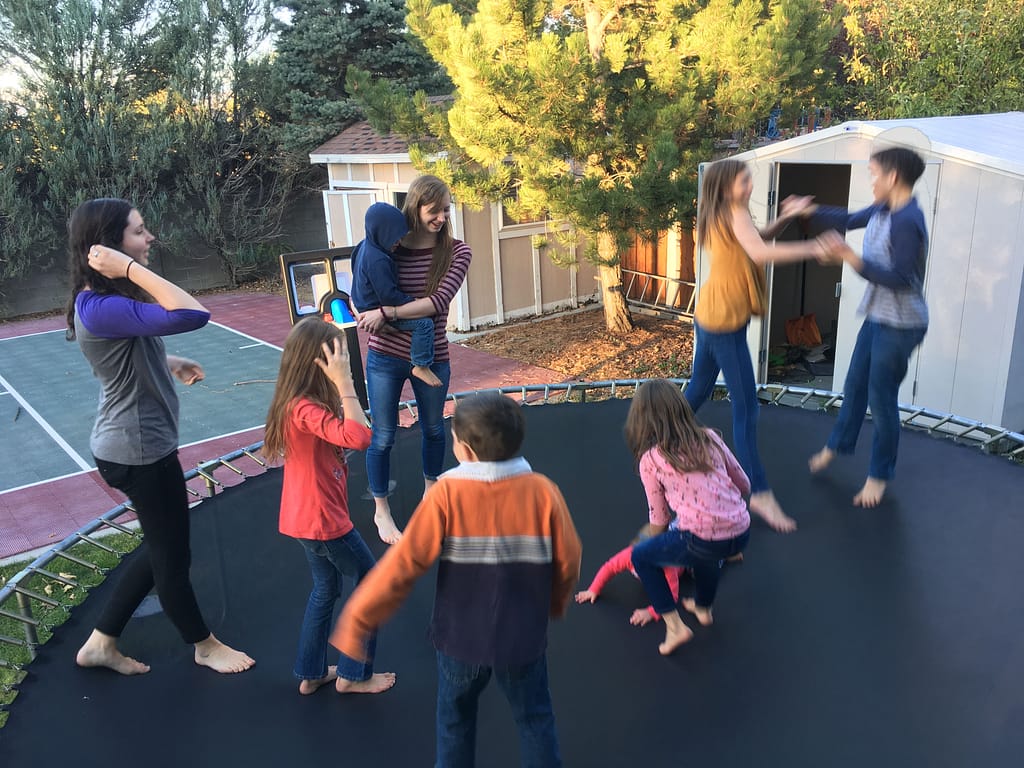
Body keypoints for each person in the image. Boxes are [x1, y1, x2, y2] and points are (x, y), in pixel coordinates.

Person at [330, 392, 582, 768]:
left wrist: (358, 619)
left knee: (454, 723)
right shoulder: (543, 491)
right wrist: (556, 602)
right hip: (522, 637)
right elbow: (569, 557)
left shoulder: (447, 494)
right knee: (535, 719)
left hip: (460, 639)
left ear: (464, 449)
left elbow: (404, 565)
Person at [67, 198, 254, 675]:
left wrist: (167, 362)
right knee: (173, 556)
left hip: (134, 444)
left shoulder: (103, 303)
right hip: (139, 451)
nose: (149, 239)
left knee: (161, 546)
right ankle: (205, 645)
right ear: (109, 246)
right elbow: (193, 314)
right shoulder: (104, 304)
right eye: (138, 232)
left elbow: (119, 358)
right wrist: (130, 268)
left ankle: (101, 642)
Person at [687, 159, 832, 533]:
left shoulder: (727, 212)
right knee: (747, 411)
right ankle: (760, 494)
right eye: (742, 181)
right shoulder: (731, 213)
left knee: (698, 391)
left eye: (748, 178)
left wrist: (784, 220)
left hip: (710, 313)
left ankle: (652, 434)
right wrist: (812, 247)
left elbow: (757, 238)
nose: (749, 185)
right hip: (723, 324)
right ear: (724, 189)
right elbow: (761, 253)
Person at [262, 316, 396, 696]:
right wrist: (346, 384)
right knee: (372, 583)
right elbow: (358, 438)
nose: (346, 364)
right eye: (339, 359)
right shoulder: (304, 409)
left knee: (325, 588)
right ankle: (354, 675)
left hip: (303, 518)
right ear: (320, 365)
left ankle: (312, 671)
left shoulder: (297, 403)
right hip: (322, 521)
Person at [801, 147, 929, 508]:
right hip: (878, 315)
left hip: (903, 324)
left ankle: (879, 475)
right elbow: (849, 217)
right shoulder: (885, 207)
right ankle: (837, 446)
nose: (871, 181)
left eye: (874, 174)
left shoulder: (908, 220)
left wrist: (849, 257)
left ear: (892, 178)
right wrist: (807, 210)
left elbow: (901, 279)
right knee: (855, 384)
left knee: (880, 398)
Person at [355, 175, 472, 545]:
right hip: (386, 356)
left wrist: (386, 313)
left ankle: (431, 490)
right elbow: (364, 290)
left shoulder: (457, 251)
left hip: (432, 354)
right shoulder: (389, 245)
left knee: (434, 428)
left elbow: (438, 303)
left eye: (446, 211)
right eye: (433, 211)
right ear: (415, 207)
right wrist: (368, 313)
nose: (441, 217)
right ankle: (381, 510)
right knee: (384, 435)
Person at [625, 379, 752, 656]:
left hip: (705, 538)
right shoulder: (710, 436)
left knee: (642, 556)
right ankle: (703, 608)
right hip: (741, 531)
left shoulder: (651, 460)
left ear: (642, 420)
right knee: (704, 554)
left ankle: (675, 627)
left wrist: (645, 544)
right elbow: (743, 483)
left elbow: (659, 517)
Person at [350, 202, 441, 388]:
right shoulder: (379, 260)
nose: (398, 242)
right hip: (375, 310)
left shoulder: (364, 246)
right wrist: (412, 302)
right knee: (424, 324)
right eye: (394, 238)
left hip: (363, 305)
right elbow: (389, 295)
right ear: (382, 233)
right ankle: (421, 365)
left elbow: (354, 267)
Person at [575, 527, 742, 627]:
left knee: (701, 567)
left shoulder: (667, 567)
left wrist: (652, 612)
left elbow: (673, 595)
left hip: (685, 561)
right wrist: (593, 589)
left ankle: (723, 555)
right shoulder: (629, 556)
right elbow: (609, 567)